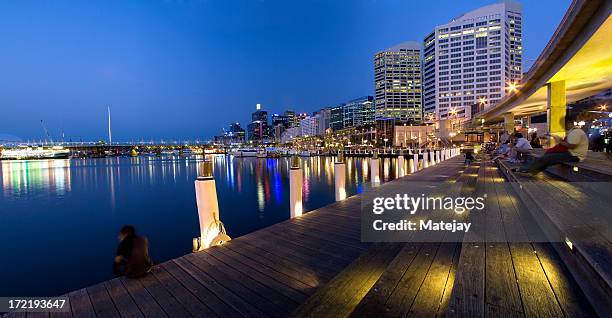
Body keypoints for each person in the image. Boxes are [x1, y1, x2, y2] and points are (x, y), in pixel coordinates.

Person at [516, 124, 588, 174]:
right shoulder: (572, 132)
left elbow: (571, 146)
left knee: (547, 157)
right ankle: (531, 169)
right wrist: (555, 137)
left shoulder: (576, 132)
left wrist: (559, 140)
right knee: (547, 155)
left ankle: (526, 169)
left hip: (575, 156)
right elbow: (564, 142)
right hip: (570, 153)